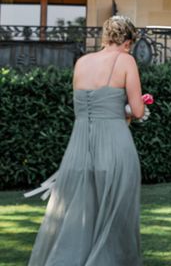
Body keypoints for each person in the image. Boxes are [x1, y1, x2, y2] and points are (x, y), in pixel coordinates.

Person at [28, 16, 145, 266]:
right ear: (127, 41)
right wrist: (128, 108)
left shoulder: (81, 62)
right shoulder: (125, 60)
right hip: (114, 145)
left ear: (105, 37)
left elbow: (81, 108)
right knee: (116, 213)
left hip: (79, 147)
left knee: (78, 213)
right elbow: (137, 111)